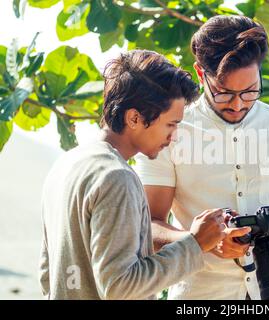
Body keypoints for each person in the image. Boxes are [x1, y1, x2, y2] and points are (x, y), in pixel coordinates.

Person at [135, 15, 269, 300]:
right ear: (201, 75)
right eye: (225, 93)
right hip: (199, 296)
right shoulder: (169, 131)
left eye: (250, 91)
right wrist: (201, 241)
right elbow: (148, 226)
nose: (238, 104)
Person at [39, 50, 248, 299]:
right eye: (171, 124)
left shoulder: (66, 164)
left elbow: (47, 275)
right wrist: (196, 243)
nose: (174, 136)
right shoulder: (116, 177)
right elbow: (120, 287)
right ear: (134, 118)